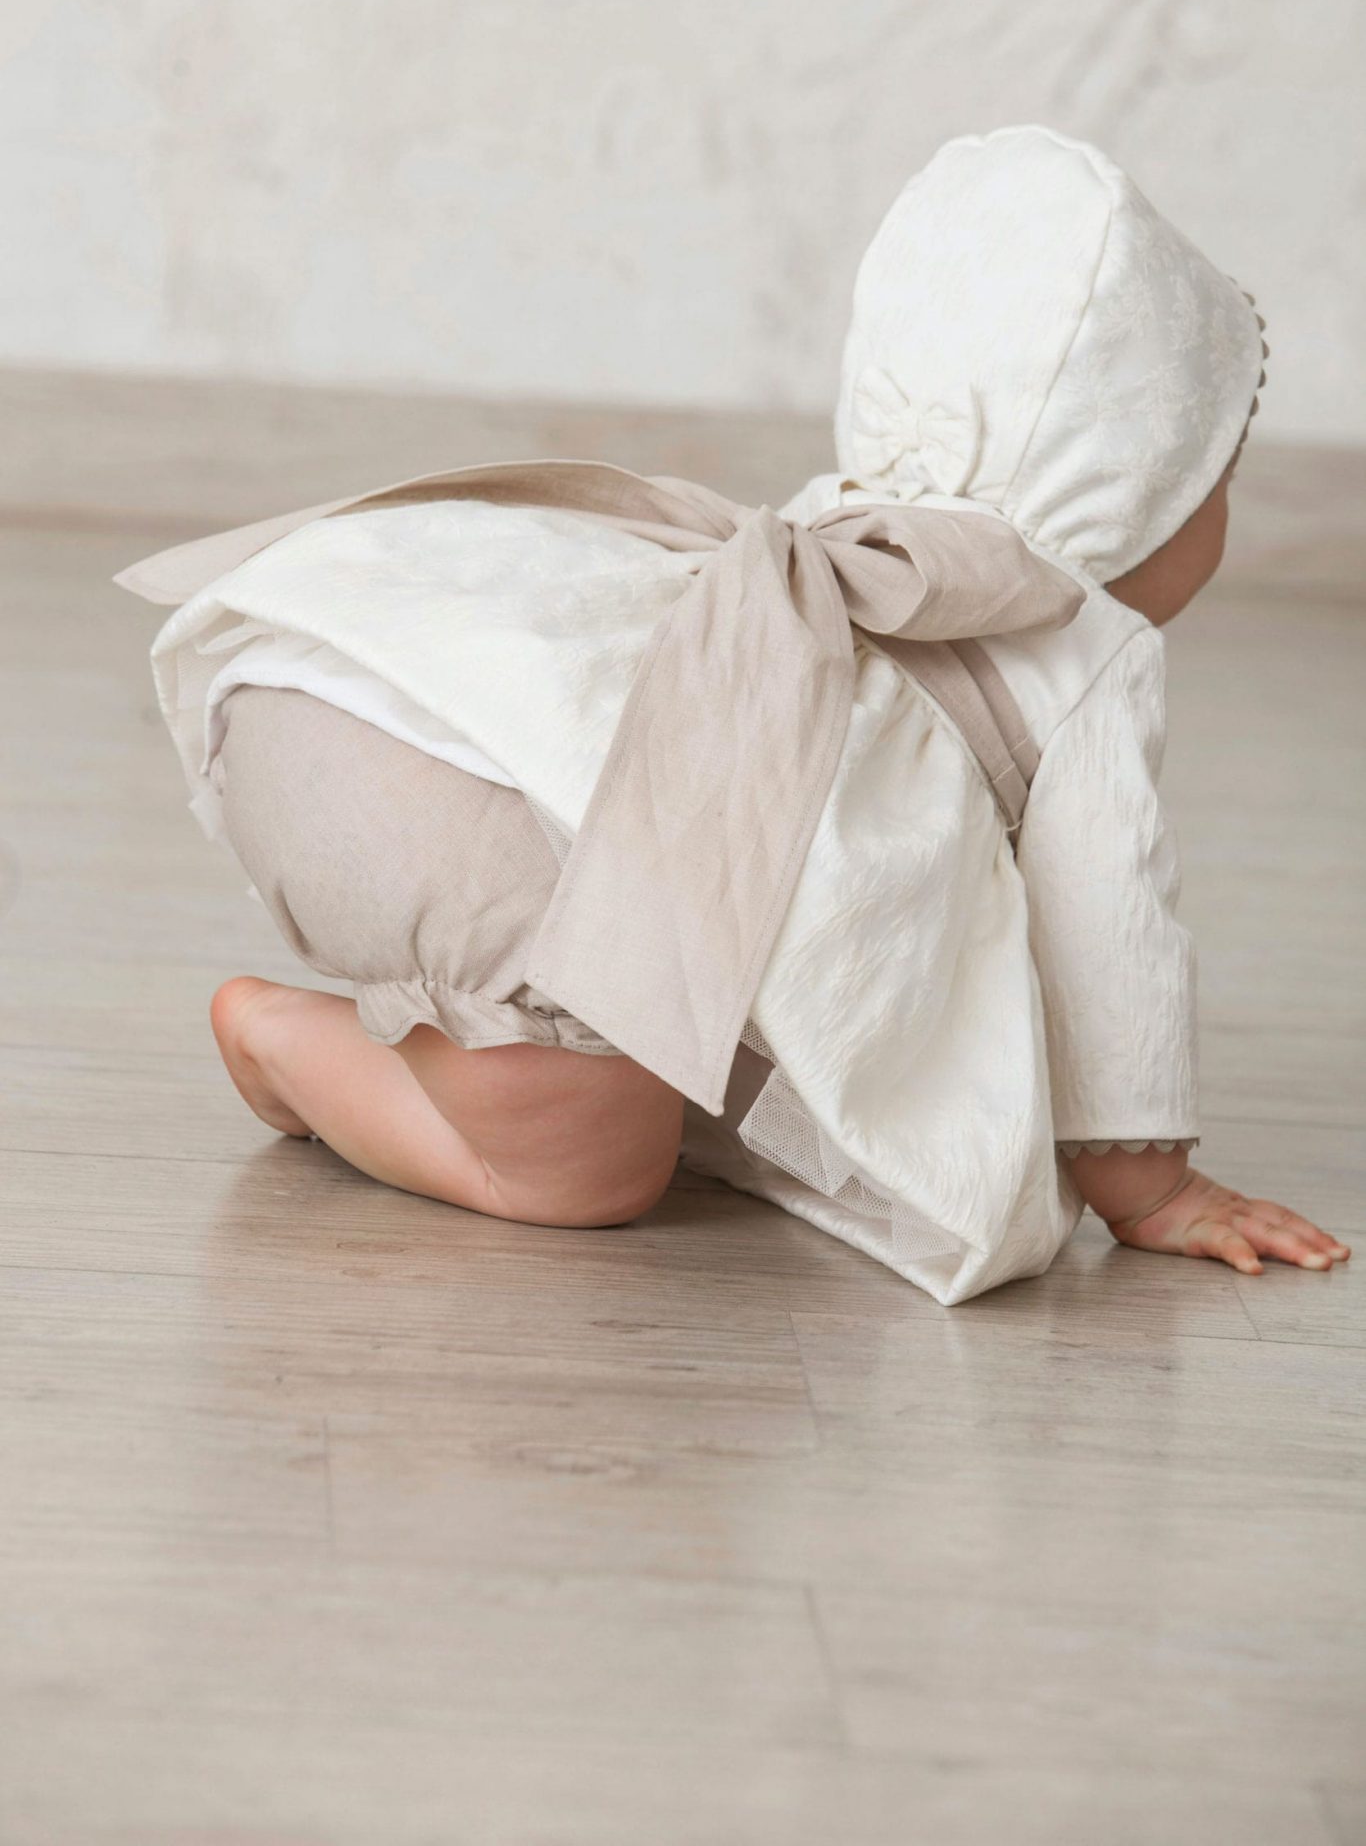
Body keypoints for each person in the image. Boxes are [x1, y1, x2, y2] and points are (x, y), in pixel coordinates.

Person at [116, 126, 1349, 1302]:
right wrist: (1148, 1183)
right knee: (589, 1169)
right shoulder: (1088, 650)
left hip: (345, 695)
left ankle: (454, 1035)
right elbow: (1107, 926)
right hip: (481, 821)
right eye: (1216, 478)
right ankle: (290, 1038)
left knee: (640, 1027)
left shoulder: (822, 524)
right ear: (1142, 488)